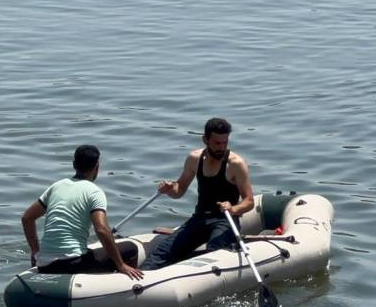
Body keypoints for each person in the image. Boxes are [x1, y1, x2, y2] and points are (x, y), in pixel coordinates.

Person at [140, 118, 254, 270]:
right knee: (162, 252)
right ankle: (142, 279)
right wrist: (169, 189)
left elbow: (249, 201)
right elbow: (179, 190)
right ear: (205, 139)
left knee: (214, 254)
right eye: (217, 143)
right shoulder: (194, 159)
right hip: (199, 218)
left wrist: (233, 209)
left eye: (225, 143)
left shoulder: (236, 164)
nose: (221, 147)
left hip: (224, 220)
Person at [21, 145, 144, 280]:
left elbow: (27, 218)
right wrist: (121, 265)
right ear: (97, 167)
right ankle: (122, 289)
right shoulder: (94, 192)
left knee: (91, 253)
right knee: (130, 248)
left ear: (74, 164)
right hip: (73, 264)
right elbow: (102, 229)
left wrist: (35, 251)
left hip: (44, 264)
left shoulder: (56, 186)